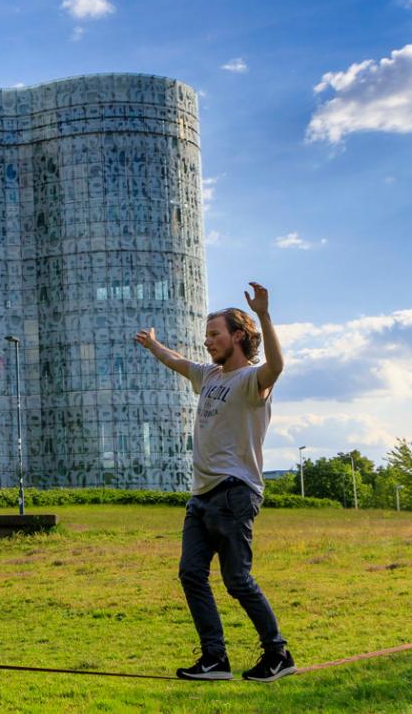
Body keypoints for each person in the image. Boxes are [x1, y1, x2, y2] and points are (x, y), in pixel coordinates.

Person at [134, 282, 296, 683]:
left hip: (234, 491)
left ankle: (278, 654)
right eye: (206, 336)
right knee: (191, 574)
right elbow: (178, 361)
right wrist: (154, 346)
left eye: (214, 335)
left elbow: (276, 367)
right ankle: (214, 659)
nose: (207, 343)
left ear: (238, 336)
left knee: (237, 580)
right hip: (201, 496)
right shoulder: (209, 376)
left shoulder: (252, 380)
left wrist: (265, 315)